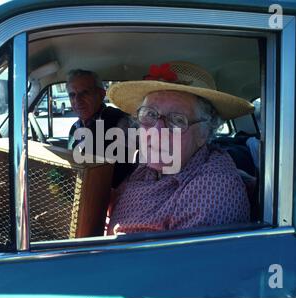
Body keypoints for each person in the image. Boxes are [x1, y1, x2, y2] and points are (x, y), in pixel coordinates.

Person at [106, 61, 254, 235]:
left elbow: (177, 262)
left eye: (177, 120)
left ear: (204, 134)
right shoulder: (148, 167)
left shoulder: (213, 189)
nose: (156, 131)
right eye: (150, 114)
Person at [66, 69, 137, 187]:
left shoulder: (120, 122)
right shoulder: (75, 128)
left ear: (101, 94)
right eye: (72, 95)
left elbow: (128, 172)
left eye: (85, 93)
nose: (77, 100)